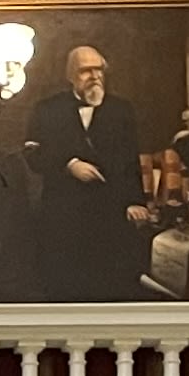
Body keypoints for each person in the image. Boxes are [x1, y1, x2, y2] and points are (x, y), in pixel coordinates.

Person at [20, 43, 150, 302]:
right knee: (65, 285)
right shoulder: (47, 109)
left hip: (109, 212)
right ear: (70, 76)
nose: (94, 77)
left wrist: (134, 201)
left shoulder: (121, 109)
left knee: (109, 283)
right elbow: (33, 155)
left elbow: (129, 160)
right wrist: (68, 165)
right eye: (85, 71)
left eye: (99, 70)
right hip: (63, 214)